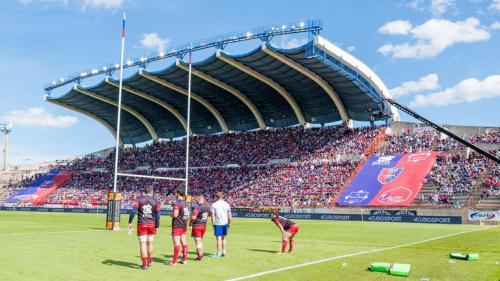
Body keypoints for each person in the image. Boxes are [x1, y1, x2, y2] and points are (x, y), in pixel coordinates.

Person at [127, 185, 161, 270]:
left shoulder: (138, 199)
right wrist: (157, 226)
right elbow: (158, 215)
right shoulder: (156, 201)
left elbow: (133, 211)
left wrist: (130, 222)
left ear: (144, 191)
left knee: (142, 244)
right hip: (151, 224)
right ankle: (150, 261)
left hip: (142, 224)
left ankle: (144, 264)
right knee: (150, 243)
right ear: (152, 191)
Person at [170, 184, 189, 266]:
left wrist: (171, 214)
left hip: (177, 225)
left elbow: (175, 214)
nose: (175, 194)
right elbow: (187, 216)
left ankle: (174, 261)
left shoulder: (177, 203)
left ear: (178, 193)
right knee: (184, 242)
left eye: (175, 192)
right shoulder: (186, 203)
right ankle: (184, 259)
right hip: (184, 225)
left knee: (176, 243)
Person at [210, 191, 232, 259]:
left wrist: (213, 223)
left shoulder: (214, 205)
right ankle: (224, 252)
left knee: (218, 238)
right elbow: (230, 216)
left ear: (216, 197)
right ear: (222, 196)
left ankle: (218, 253)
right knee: (224, 238)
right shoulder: (227, 204)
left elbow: (212, 215)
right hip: (225, 223)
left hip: (218, 223)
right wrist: (229, 223)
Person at [190, 194, 211, 261]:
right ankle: (200, 255)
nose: (195, 200)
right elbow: (210, 214)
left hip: (197, 226)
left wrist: (190, 223)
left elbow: (193, 217)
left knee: (198, 241)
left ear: (199, 199)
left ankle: (200, 256)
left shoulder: (198, 206)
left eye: (196, 199)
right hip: (203, 225)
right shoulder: (207, 206)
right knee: (199, 241)